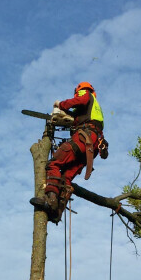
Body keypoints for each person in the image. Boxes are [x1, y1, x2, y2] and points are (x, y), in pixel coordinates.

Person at [30, 82, 107, 223]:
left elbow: (78, 101)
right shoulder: (93, 108)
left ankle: (51, 201)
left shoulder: (85, 94)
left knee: (53, 163)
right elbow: (76, 119)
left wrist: (61, 105)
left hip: (84, 138)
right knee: (66, 177)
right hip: (92, 146)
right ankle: (56, 212)